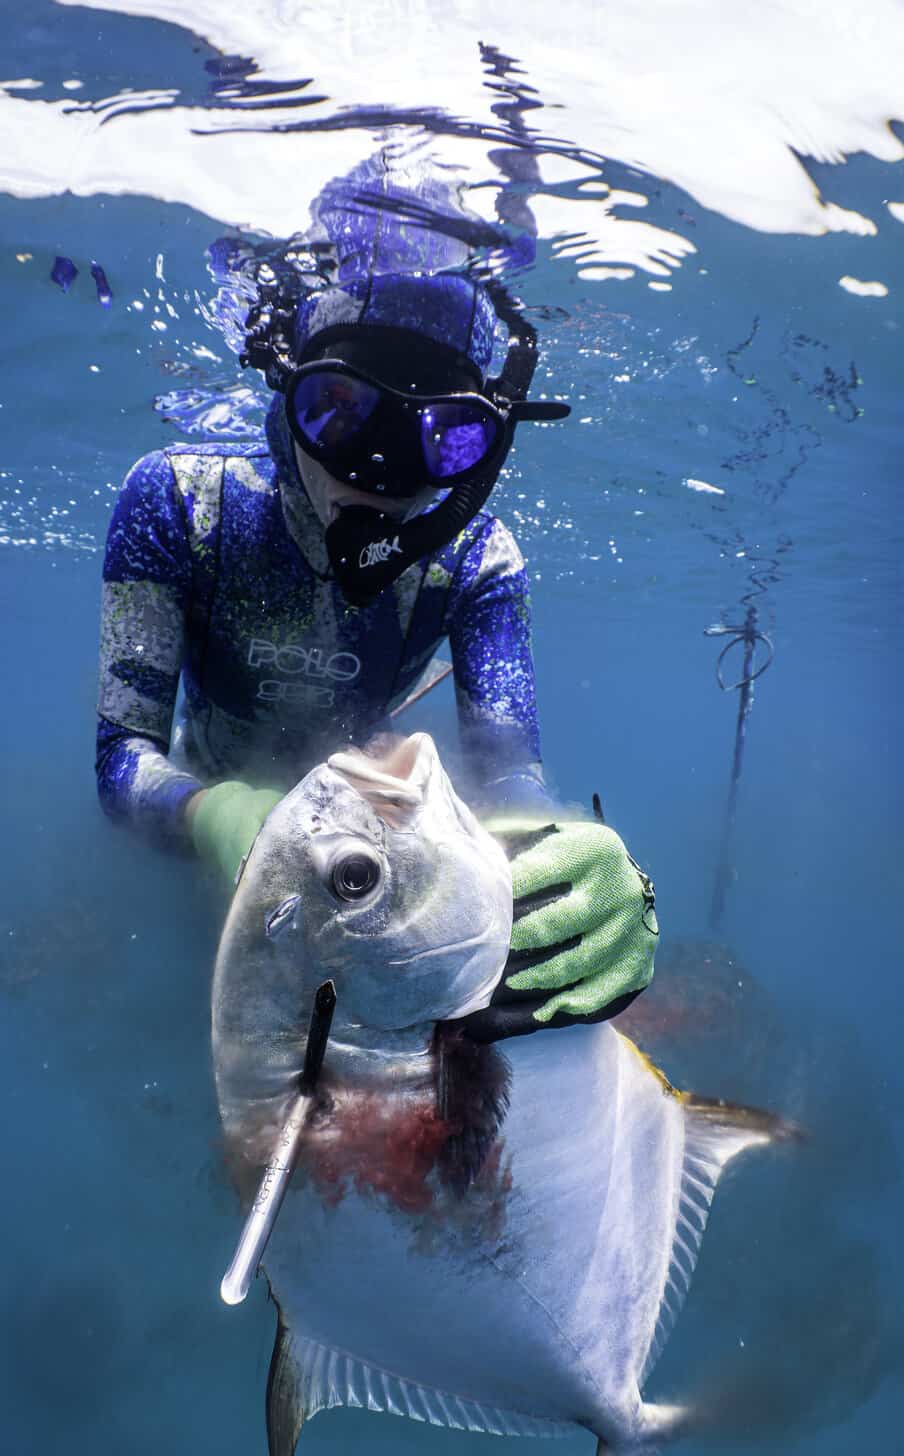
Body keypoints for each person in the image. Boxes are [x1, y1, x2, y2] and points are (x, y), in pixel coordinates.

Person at [95, 162, 657, 1042]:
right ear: (290, 388)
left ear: (485, 443)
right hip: (212, 863)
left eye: (446, 437)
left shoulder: (476, 556)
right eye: (341, 411)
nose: (382, 471)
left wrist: (557, 852)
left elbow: (510, 773)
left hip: (373, 882)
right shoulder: (178, 501)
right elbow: (124, 755)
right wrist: (216, 818)